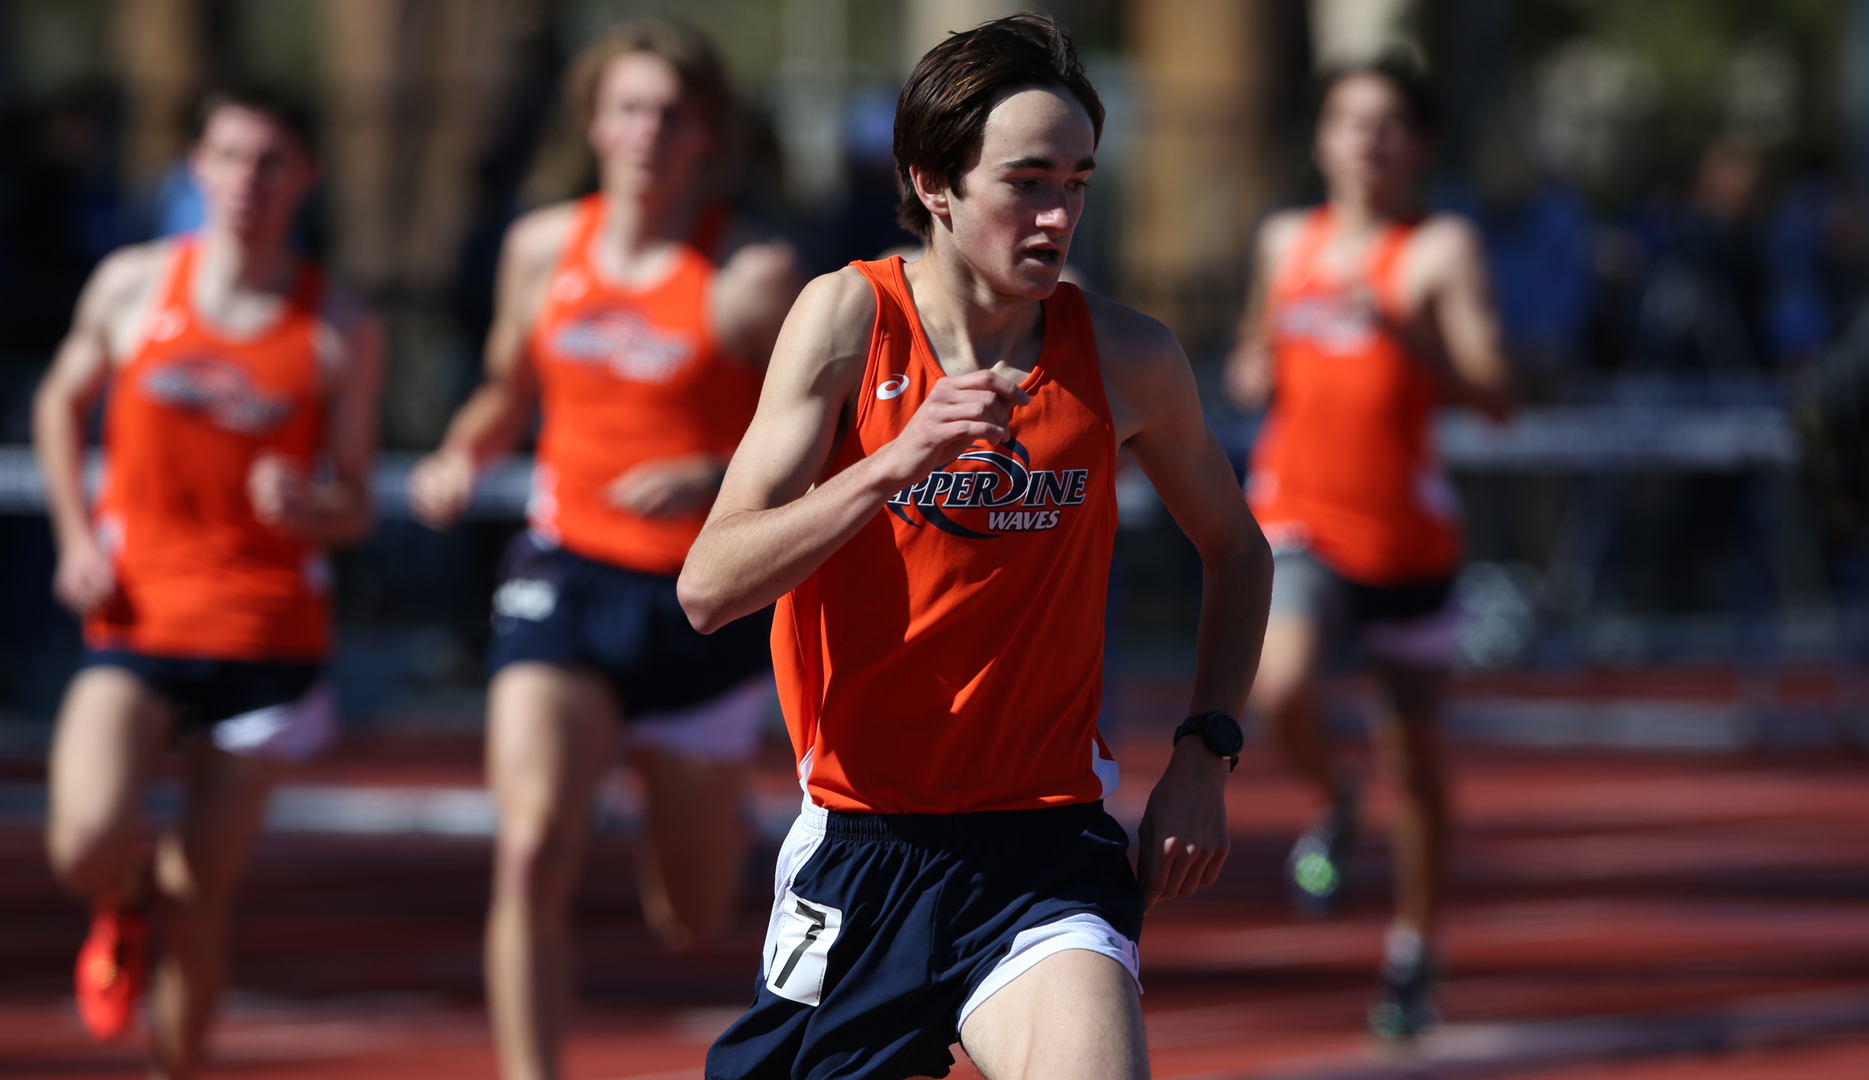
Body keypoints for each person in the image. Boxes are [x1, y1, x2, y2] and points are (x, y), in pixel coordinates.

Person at [679, 14, 1272, 1080]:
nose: (1058, 216)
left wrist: (1205, 751)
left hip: (1047, 849)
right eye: (1027, 182)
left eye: (1080, 183)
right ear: (935, 183)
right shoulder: (845, 322)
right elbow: (709, 587)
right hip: (866, 849)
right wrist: (890, 465)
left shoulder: (1129, 358)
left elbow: (1237, 551)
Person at [406, 21, 800, 1080]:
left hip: (698, 602)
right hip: (563, 575)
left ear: (706, 134)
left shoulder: (749, 273)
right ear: (592, 123)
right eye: (627, 109)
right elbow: (505, 383)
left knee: (691, 915)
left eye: (671, 114)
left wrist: (715, 474)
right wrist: (461, 450)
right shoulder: (543, 247)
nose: (646, 134)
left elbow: (819, 439)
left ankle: (698, 793)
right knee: (530, 846)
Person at [33, 86, 383, 1076]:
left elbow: (355, 502)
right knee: (86, 839)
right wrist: (73, 535)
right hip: (136, 613)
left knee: (203, 896)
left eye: (271, 161)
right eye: (229, 157)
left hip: (265, 633)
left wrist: (311, 504)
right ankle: (121, 898)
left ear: (303, 178)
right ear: (196, 166)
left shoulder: (336, 326)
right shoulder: (131, 287)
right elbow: (61, 405)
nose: (247, 181)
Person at [1225, 57, 1511, 1039]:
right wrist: (1252, 368)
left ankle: (1414, 950)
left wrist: (1407, 336)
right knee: (1280, 687)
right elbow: (1252, 354)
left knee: (1419, 761)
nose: (1369, 141)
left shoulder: (1437, 251)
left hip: (1408, 536)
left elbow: (1498, 392)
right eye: (1351, 121)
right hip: (1300, 516)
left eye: (1389, 124)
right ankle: (1335, 794)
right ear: (1322, 139)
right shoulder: (1284, 240)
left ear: (1419, 146)